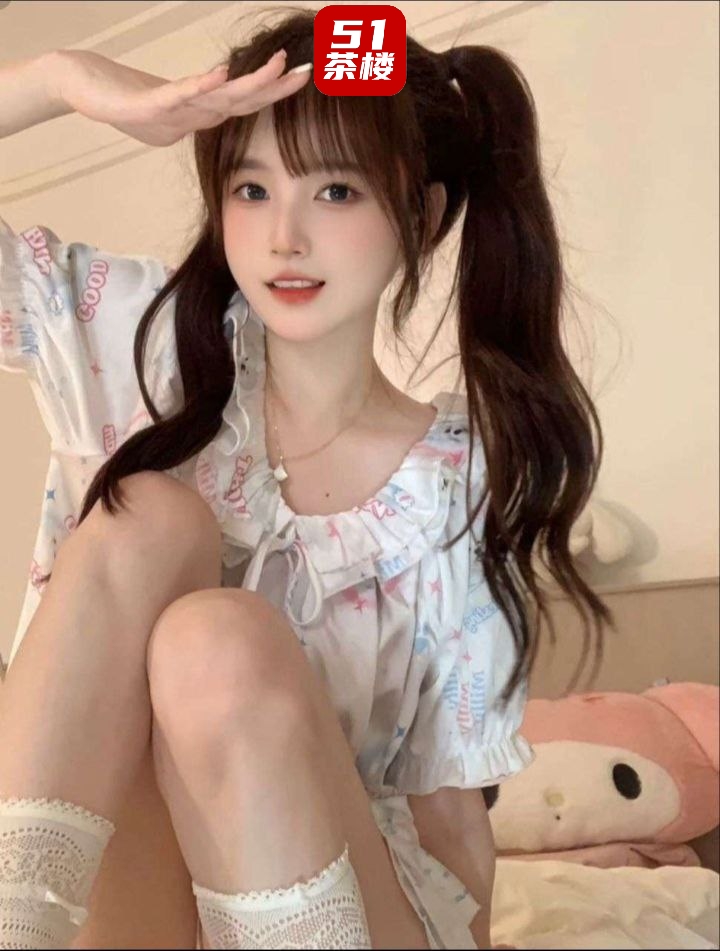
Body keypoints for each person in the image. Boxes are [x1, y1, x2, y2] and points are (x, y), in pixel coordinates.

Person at [0, 7, 615, 950]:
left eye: (335, 189)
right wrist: (57, 80)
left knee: (214, 640)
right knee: (151, 512)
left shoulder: (457, 481)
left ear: (422, 215)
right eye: (251, 188)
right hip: (137, 903)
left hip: (350, 905)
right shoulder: (138, 349)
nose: (283, 236)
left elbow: (452, 813)